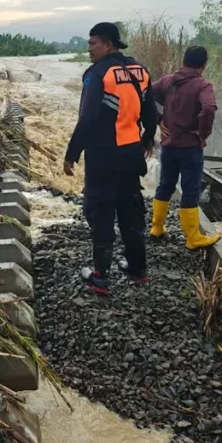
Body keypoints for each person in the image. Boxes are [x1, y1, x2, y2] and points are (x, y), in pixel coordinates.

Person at [64, 22, 157, 295]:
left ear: (108, 44)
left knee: (101, 211)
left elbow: (88, 118)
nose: (89, 48)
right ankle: (138, 269)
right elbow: (150, 110)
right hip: (131, 154)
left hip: (104, 155)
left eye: (93, 43)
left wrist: (72, 153)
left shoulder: (97, 74)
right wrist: (148, 137)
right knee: (131, 210)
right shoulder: (140, 70)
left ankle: (100, 276)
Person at [149, 45, 219, 249]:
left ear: (184, 60)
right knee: (190, 189)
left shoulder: (168, 81)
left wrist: (158, 120)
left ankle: (157, 227)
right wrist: (202, 133)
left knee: (165, 185)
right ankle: (193, 238)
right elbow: (208, 108)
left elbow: (143, 94)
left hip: (169, 146)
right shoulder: (202, 85)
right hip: (190, 147)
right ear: (204, 65)